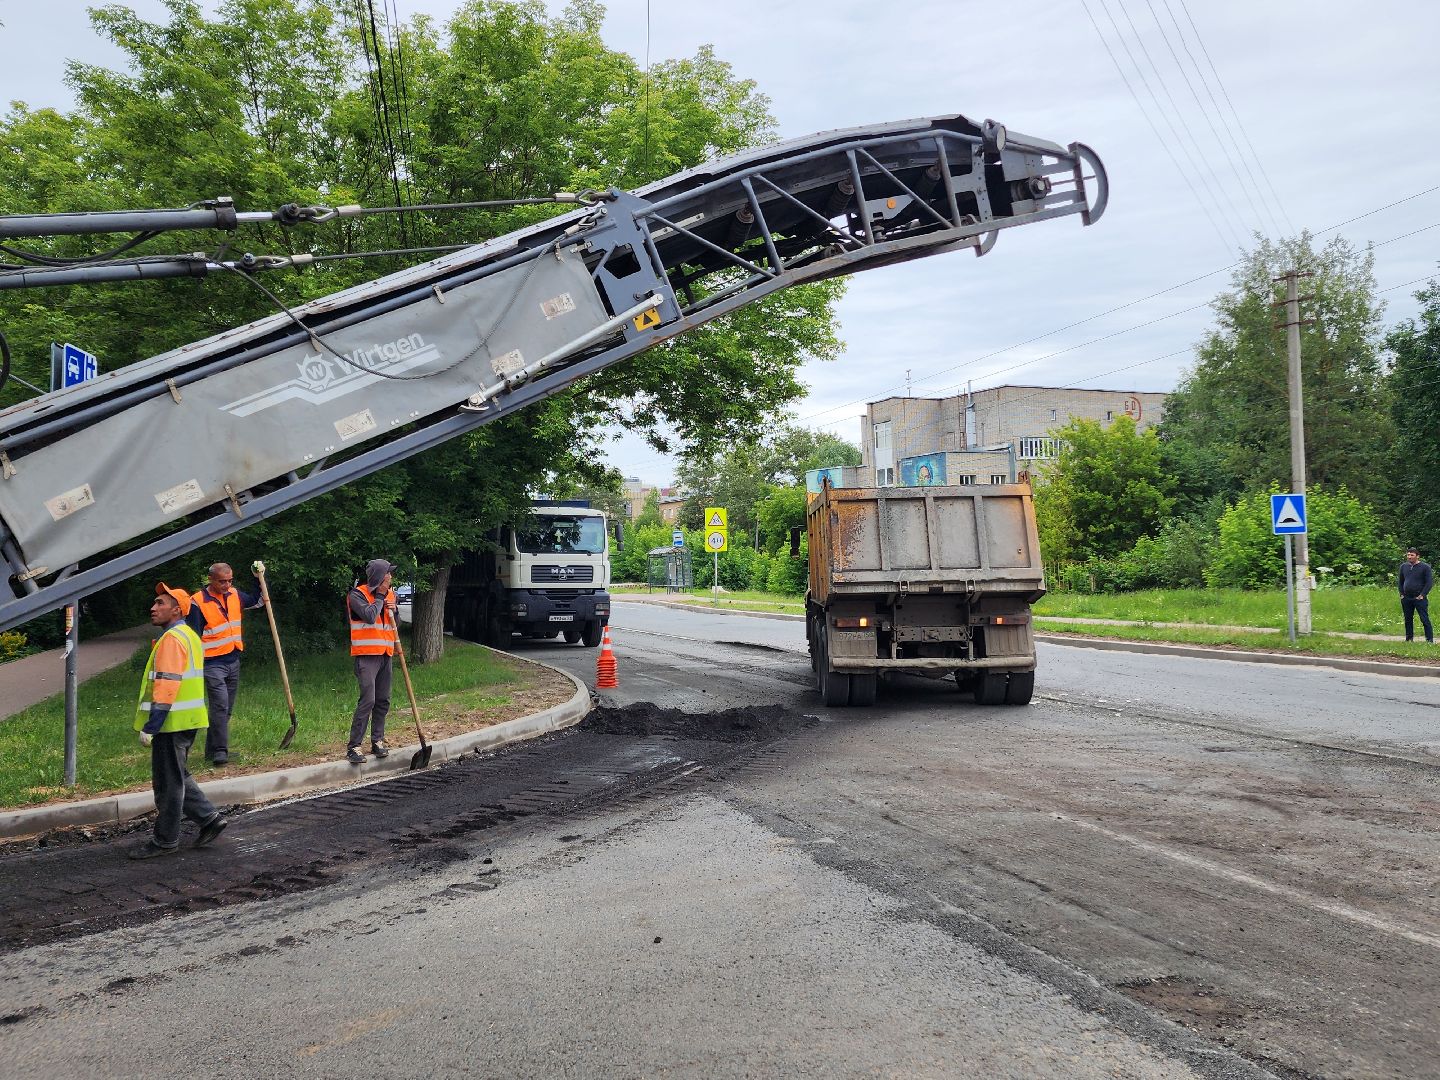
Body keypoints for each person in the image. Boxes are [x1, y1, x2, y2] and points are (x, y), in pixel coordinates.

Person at [130, 584, 227, 859]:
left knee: (168, 783)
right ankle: (209, 819)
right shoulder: (189, 635)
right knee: (179, 774)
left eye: (160, 603)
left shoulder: (173, 639)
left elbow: (167, 685)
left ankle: (165, 841)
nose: (153, 607)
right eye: (154, 602)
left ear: (177, 610)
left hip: (171, 723)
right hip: (188, 719)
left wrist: (152, 725)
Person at [186, 562, 265, 765]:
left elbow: (257, 601)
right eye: (222, 581)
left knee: (226, 708)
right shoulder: (197, 603)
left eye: (230, 580)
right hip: (212, 663)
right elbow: (193, 637)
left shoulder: (235, 595)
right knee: (219, 705)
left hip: (233, 658)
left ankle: (211, 751)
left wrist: (259, 578)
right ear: (210, 580)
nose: (227, 585)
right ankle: (221, 751)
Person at [347, 559, 398, 764]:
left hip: (386, 653)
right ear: (379, 575)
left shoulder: (390, 594)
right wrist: (379, 596)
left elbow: (395, 623)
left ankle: (377, 741)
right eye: (388, 573)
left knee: (383, 700)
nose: (391, 577)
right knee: (368, 700)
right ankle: (354, 746)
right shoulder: (357, 594)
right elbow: (369, 616)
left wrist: (394, 610)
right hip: (367, 655)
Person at [1399, 547, 1434, 644]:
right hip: (1406, 598)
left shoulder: (1425, 567)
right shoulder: (1403, 567)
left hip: (1419, 598)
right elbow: (1400, 582)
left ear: (1417, 556)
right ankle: (1409, 639)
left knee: (1424, 619)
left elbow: (1429, 583)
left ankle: (1429, 640)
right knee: (1408, 619)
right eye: (1408, 555)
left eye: (1412, 555)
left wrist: (1423, 594)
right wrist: (1401, 594)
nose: (1409, 557)